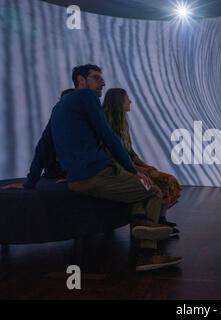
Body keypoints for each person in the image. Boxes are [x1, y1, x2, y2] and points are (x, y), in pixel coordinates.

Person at [2, 65, 182, 271]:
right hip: (99, 173)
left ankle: (142, 223)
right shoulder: (87, 97)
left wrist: (29, 183)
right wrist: (134, 171)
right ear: (81, 80)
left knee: (140, 196)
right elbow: (109, 136)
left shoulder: (59, 107)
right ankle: (147, 254)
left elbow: (43, 147)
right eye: (96, 78)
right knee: (154, 192)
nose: (102, 83)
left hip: (76, 181)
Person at [102, 88, 182, 232]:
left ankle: (160, 219)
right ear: (119, 102)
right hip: (121, 168)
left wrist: (145, 165)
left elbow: (129, 151)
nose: (130, 101)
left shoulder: (122, 124)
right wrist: (139, 169)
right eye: (127, 99)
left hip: (129, 165)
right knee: (165, 181)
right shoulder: (108, 126)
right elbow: (115, 155)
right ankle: (153, 223)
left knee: (163, 178)